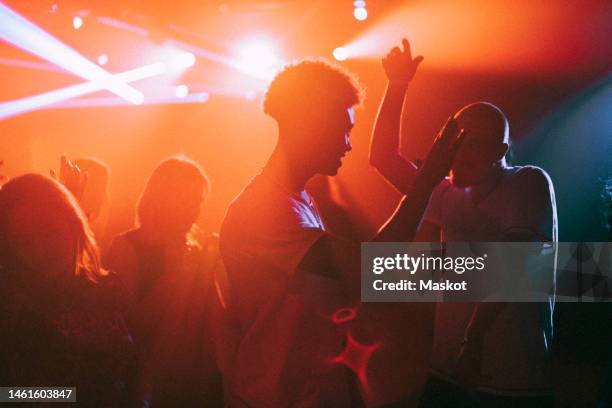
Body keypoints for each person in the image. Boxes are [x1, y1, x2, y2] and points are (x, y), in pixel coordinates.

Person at [219, 57, 463, 407]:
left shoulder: (298, 199)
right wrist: (424, 183)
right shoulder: (265, 209)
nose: (348, 144)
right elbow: (370, 269)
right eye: (343, 130)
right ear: (310, 124)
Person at [369, 39, 557, 407]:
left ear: (500, 152)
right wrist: (397, 86)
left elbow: (514, 266)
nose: (459, 152)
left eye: (473, 144)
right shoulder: (445, 192)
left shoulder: (528, 182)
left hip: (512, 378)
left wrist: (472, 339)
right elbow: (383, 158)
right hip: (447, 369)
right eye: (454, 140)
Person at [0, 174, 134, 406]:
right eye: (23, 242)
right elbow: (6, 394)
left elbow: (136, 364)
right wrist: (71, 395)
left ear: (73, 224)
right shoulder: (9, 304)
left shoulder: (106, 287)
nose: (40, 251)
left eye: (50, 234)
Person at [105, 155, 223, 407]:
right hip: (143, 386)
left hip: (192, 383)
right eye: (185, 200)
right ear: (160, 198)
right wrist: (173, 274)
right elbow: (125, 328)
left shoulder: (199, 249)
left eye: (198, 201)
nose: (194, 209)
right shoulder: (127, 248)